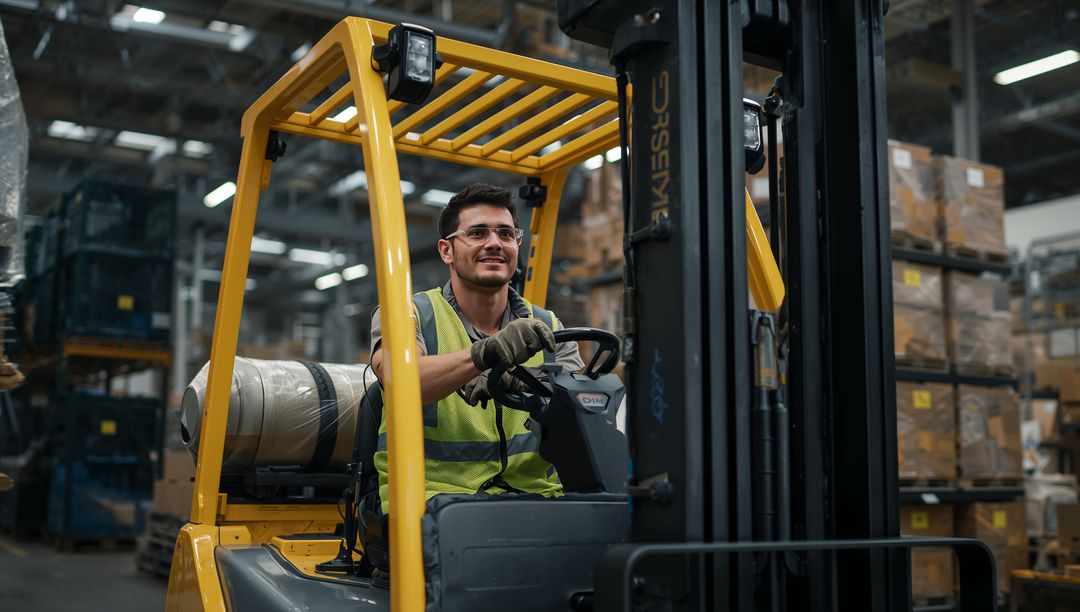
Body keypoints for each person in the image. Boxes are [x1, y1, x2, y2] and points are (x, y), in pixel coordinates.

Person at [369, 183, 583, 513]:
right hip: (431, 500)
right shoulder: (406, 314)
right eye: (478, 233)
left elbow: (582, 412)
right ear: (446, 250)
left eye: (506, 234)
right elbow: (401, 380)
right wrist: (484, 355)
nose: (495, 243)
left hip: (536, 500)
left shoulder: (548, 326)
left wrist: (533, 384)